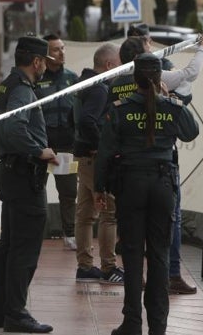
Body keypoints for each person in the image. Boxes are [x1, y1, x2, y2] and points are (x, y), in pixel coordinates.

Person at [94, 53, 199, 335]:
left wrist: (99, 188)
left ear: (135, 79)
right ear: (159, 79)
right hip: (163, 186)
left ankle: (131, 323)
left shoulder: (120, 109)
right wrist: (170, 99)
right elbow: (192, 133)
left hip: (130, 187)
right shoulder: (173, 106)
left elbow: (105, 152)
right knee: (159, 255)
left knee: (131, 254)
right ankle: (158, 327)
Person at [111, 31, 203, 294]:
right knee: (165, 230)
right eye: (148, 48)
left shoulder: (112, 84)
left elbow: (106, 136)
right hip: (161, 173)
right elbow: (190, 128)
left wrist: (103, 183)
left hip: (128, 174)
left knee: (132, 238)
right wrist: (172, 100)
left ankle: (134, 290)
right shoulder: (164, 90)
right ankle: (168, 279)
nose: (153, 50)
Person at [0, 36, 59, 333]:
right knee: (24, 250)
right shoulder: (21, 89)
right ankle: (16, 313)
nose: (45, 67)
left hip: (10, 172)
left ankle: (0, 312)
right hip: (22, 176)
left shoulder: (8, 84)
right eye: (45, 62)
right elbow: (15, 127)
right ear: (37, 61)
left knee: (9, 247)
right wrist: (39, 150)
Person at [72, 43, 126, 284]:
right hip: (96, 159)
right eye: (120, 63)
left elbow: (70, 118)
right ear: (109, 65)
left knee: (84, 214)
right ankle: (108, 267)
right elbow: (87, 120)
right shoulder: (100, 89)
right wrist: (100, 146)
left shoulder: (81, 84)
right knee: (108, 213)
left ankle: (84, 266)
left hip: (83, 157)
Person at [34, 33, 79, 250]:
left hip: (66, 147)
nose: (61, 53)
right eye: (55, 50)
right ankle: (36, 233)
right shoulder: (36, 80)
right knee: (36, 189)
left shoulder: (72, 78)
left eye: (62, 48)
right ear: (45, 55)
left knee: (69, 192)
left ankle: (69, 234)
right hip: (41, 147)